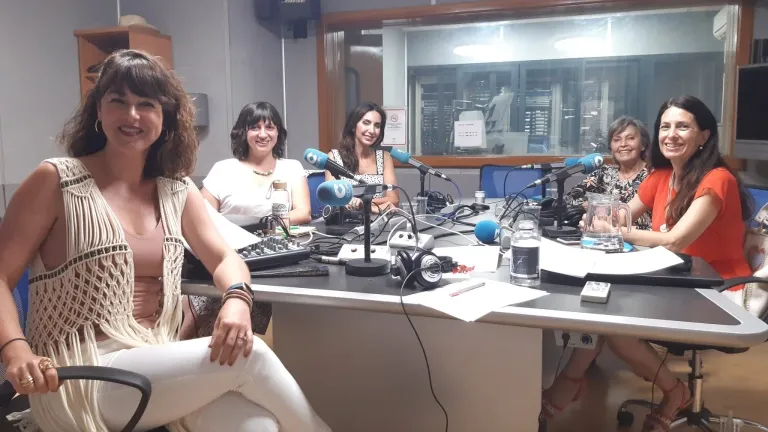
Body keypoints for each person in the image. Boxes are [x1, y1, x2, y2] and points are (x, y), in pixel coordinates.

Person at [0, 50, 329, 432]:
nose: (132, 115)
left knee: (258, 424)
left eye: (146, 104)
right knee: (250, 354)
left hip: (158, 356)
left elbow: (226, 259)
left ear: (165, 117)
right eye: (118, 101)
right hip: (79, 372)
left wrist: (237, 300)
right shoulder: (56, 180)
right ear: (98, 110)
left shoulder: (176, 190)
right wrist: (14, 348)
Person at [542, 96, 753, 432]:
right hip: (677, 279)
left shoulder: (717, 179)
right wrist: (595, 218)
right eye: (665, 126)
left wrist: (613, 229)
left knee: (615, 326)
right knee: (598, 303)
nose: (671, 134)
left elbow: (675, 240)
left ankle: (672, 391)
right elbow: (619, 216)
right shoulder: (661, 177)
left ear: (704, 136)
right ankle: (572, 380)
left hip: (718, 290)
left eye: (683, 126)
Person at [201, 101, 311, 226]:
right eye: (255, 128)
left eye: (269, 127)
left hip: (276, 236)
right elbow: (202, 216)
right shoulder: (222, 169)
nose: (263, 135)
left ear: (277, 132)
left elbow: (303, 212)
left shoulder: (292, 168)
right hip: (229, 237)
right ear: (244, 132)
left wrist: (265, 225)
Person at [564, 115, 652, 230]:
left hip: (640, 238)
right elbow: (570, 200)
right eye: (617, 140)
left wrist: (596, 208)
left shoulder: (652, 176)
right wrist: (597, 208)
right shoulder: (604, 173)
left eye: (630, 138)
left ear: (643, 145)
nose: (623, 144)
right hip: (602, 236)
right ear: (611, 147)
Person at [326, 101, 399, 212]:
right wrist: (375, 206)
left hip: (376, 219)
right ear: (353, 126)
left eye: (377, 125)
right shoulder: (334, 157)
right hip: (345, 220)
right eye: (366, 123)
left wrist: (363, 204)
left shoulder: (385, 158)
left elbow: (394, 199)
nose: (372, 131)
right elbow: (331, 197)